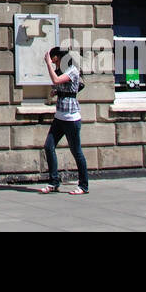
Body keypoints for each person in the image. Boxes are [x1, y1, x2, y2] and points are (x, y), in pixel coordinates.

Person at [39, 47, 89, 195]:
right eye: (52, 62)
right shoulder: (62, 71)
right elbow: (61, 84)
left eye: (55, 60)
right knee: (49, 146)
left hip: (71, 117)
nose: (54, 64)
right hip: (59, 116)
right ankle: (54, 182)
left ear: (60, 58)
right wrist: (57, 91)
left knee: (76, 151)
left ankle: (84, 185)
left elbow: (56, 80)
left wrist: (48, 64)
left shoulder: (72, 70)